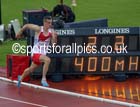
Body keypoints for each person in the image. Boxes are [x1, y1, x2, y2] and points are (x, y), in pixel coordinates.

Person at [16, 16, 57, 87]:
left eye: (51, 23)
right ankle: (43, 79)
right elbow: (26, 25)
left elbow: (53, 45)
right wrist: (20, 32)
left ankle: (20, 78)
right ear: (44, 22)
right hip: (35, 53)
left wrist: (54, 38)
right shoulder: (38, 29)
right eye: (48, 23)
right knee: (47, 60)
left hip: (42, 54)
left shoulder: (52, 32)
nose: (50, 24)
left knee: (31, 69)